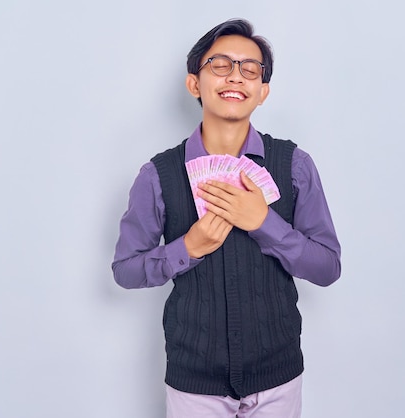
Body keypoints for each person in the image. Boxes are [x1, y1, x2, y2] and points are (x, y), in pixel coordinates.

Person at [112, 18, 341, 418]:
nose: (236, 76)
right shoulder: (158, 175)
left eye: (249, 69)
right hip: (194, 379)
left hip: (278, 374)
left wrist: (265, 223)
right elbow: (125, 270)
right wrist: (186, 248)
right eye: (220, 64)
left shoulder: (296, 166)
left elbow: (328, 267)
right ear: (194, 84)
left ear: (262, 91)